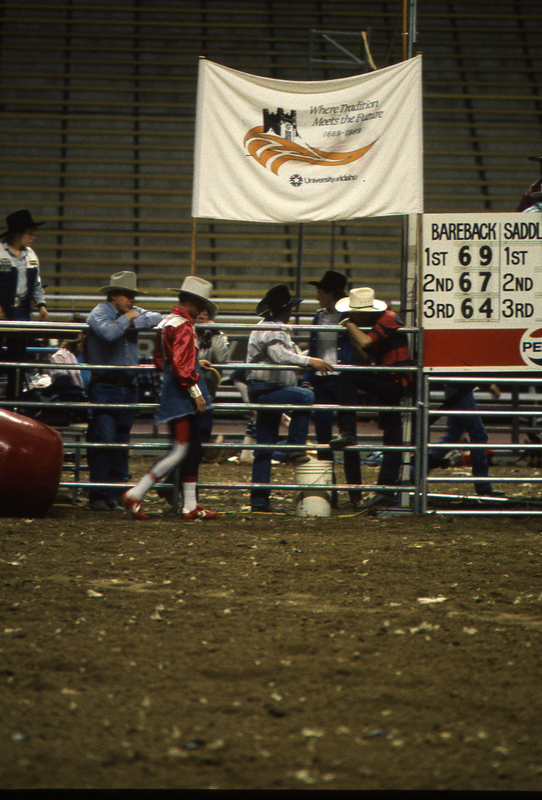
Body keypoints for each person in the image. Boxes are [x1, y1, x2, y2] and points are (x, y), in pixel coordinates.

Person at [121, 276, 217, 522]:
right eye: (200, 304)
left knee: (189, 448)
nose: (202, 309)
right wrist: (196, 393)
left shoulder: (167, 322)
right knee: (182, 449)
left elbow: (163, 360)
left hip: (171, 386)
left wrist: (194, 363)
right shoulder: (184, 325)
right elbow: (182, 367)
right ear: (193, 302)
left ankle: (189, 505)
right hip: (182, 390)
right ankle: (137, 492)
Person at [246, 284, 333, 512]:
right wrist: (310, 361)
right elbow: (279, 355)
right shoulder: (273, 329)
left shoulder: (272, 327)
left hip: (266, 389)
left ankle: (259, 500)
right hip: (267, 389)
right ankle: (295, 447)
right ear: (285, 310)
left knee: (264, 445)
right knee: (306, 396)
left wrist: (308, 358)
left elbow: (283, 355)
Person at [86, 271, 163, 512]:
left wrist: (129, 319)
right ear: (113, 296)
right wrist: (128, 319)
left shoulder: (125, 313)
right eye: (127, 296)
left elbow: (156, 317)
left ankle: (115, 492)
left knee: (119, 441)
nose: (132, 300)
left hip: (127, 386)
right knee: (105, 439)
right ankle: (99, 493)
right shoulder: (99, 313)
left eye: (133, 296)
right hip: (106, 385)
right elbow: (108, 334)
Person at [329, 286, 412, 508]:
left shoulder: (388, 318)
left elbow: (366, 343)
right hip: (390, 379)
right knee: (392, 435)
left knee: (348, 377)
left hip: (396, 380)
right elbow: (364, 357)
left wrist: (350, 326)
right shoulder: (375, 323)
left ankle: (347, 431)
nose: (349, 315)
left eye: (353, 313)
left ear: (362, 313)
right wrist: (353, 332)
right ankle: (386, 488)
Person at [302, 269, 363, 508]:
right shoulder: (319, 317)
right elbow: (313, 348)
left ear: (330, 293)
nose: (317, 296)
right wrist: (308, 377)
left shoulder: (349, 317)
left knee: (348, 438)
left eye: (320, 291)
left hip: (342, 380)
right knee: (324, 438)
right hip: (323, 380)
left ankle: (353, 494)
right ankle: (333, 493)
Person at [0, 209, 49, 399]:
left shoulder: (31, 256)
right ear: (18, 234)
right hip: (3, 310)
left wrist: (41, 304)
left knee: (18, 359)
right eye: (30, 233)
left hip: (21, 311)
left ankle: (14, 403)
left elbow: (36, 283)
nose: (33, 237)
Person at [426, 383, 505, 498]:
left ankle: (416, 470)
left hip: (457, 388)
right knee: (478, 435)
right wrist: (488, 385)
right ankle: (483, 485)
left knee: (453, 436)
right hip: (462, 388)